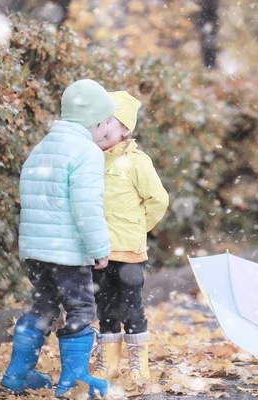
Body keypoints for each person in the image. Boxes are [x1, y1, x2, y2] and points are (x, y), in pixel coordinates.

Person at [1, 79, 116, 398]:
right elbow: (87, 206)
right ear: (94, 121)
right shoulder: (86, 153)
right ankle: (74, 379)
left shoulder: (43, 147)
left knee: (44, 307)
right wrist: (99, 249)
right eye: (107, 122)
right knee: (81, 309)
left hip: (37, 252)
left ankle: (17, 373)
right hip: (67, 254)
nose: (108, 130)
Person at [91, 91, 169, 381]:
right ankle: (109, 364)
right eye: (98, 121)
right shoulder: (92, 160)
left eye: (108, 121)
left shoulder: (137, 162)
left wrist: (139, 227)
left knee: (131, 307)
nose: (101, 126)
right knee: (106, 308)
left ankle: (139, 363)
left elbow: (158, 199)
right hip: (100, 251)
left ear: (125, 129)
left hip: (130, 254)